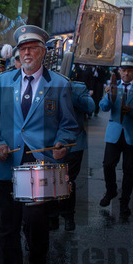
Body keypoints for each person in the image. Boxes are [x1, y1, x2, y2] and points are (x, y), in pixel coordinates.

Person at [0, 25, 79, 264]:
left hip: (39, 164)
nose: (26, 53)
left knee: (36, 222)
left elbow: (69, 125)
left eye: (32, 48)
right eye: (22, 48)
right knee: (6, 224)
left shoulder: (59, 84)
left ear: (43, 52)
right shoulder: (3, 82)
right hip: (5, 162)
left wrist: (62, 143)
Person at [99, 56, 133, 217]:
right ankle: (111, 190)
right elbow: (103, 107)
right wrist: (109, 95)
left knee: (129, 169)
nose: (126, 73)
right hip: (114, 132)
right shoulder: (113, 86)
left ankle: (124, 202)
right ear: (119, 71)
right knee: (108, 164)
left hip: (132, 134)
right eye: (123, 70)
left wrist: (132, 110)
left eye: (130, 70)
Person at [48, 80, 95, 231]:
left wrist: (69, 93)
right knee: (51, 179)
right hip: (50, 142)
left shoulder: (78, 87)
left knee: (67, 179)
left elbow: (91, 107)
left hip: (74, 142)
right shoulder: (45, 84)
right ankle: (52, 216)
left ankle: (68, 216)